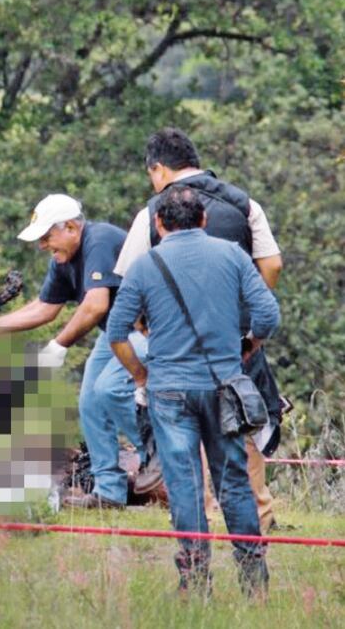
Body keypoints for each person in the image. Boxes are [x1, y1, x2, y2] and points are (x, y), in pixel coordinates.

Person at [108, 186, 279, 597]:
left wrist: (140, 375)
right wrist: (248, 346)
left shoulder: (146, 265)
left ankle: (195, 581)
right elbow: (268, 315)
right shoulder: (232, 255)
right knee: (233, 482)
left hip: (168, 392)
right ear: (203, 219)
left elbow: (117, 332)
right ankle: (254, 582)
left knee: (184, 484)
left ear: (159, 224)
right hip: (223, 386)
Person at [114, 127, 283, 531]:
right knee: (240, 418)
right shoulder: (244, 203)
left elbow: (128, 284)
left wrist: (148, 330)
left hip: (175, 345)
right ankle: (261, 514)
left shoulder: (152, 211)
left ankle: (203, 517)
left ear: (158, 169)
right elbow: (272, 264)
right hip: (236, 338)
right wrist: (244, 314)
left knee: (184, 433)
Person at [0, 193, 147, 510]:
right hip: (115, 333)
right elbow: (44, 308)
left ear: (71, 227)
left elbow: (96, 305)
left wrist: (57, 346)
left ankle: (158, 460)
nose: (43, 245)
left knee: (109, 390)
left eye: (46, 237)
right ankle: (109, 491)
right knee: (89, 402)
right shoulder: (62, 259)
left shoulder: (99, 239)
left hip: (149, 330)